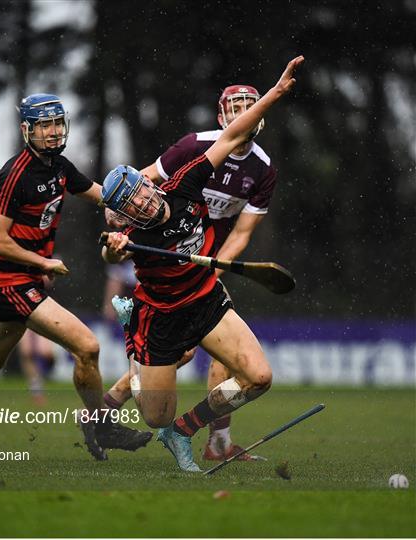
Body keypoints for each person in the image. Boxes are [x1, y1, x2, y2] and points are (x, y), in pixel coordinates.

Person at [0, 93, 152, 461]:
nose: (53, 133)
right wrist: (42, 262)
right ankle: (100, 423)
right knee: (87, 347)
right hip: (10, 283)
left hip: (21, 282)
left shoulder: (60, 167)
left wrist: (136, 207)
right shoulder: (13, 175)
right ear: (27, 130)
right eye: (44, 126)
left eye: (57, 124)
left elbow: (101, 196)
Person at [101, 56, 303, 471]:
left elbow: (232, 137)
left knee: (258, 378)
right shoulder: (135, 238)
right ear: (130, 215)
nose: (145, 199)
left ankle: (185, 431)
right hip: (161, 315)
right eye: (135, 203)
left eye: (144, 190)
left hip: (207, 297)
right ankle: (132, 343)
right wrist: (114, 246)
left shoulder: (187, 181)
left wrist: (276, 93)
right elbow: (110, 252)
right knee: (155, 414)